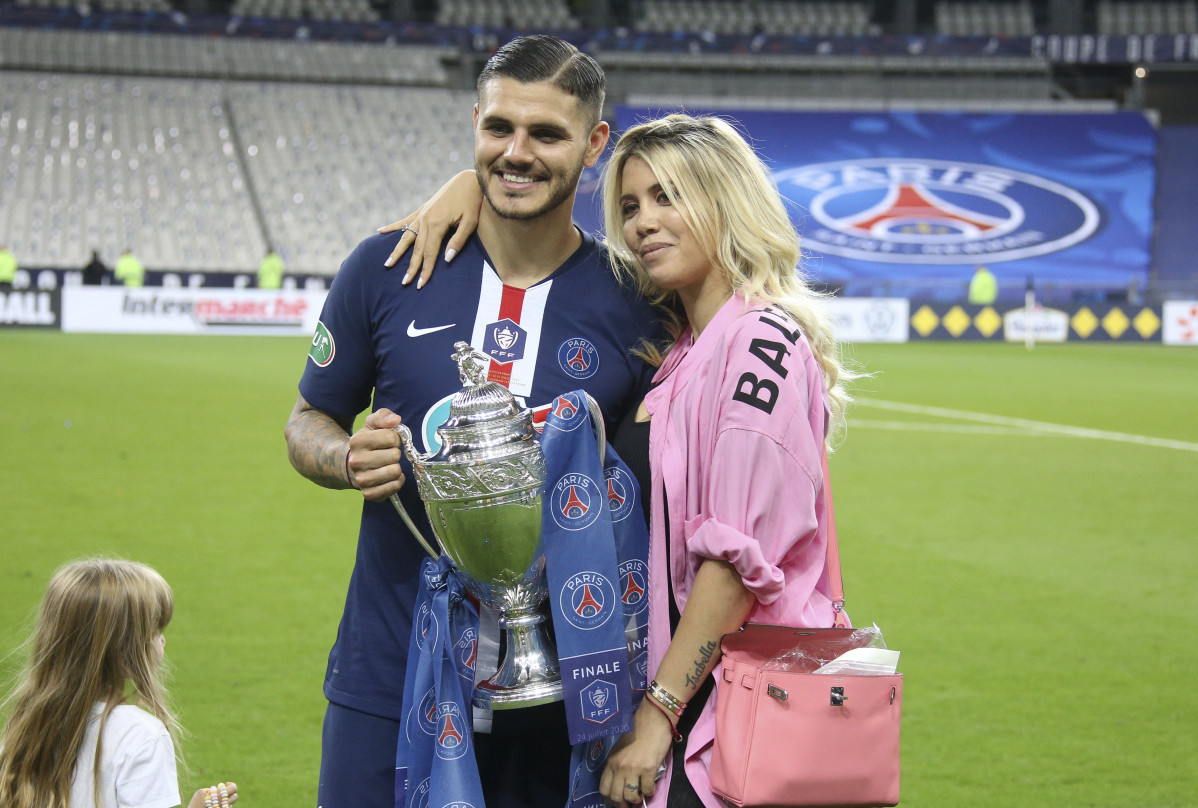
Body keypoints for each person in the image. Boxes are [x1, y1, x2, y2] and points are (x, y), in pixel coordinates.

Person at [284, 35, 662, 808]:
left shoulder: (636, 300)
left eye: (546, 134)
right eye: (498, 129)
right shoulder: (387, 268)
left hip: (568, 694)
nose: (516, 153)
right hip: (387, 672)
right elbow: (308, 418)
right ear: (475, 125)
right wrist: (344, 458)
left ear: (595, 145)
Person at [591, 114, 855, 808]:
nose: (643, 222)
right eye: (630, 205)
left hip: (726, 723)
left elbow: (735, 565)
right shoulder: (681, 351)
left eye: (668, 196)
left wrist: (658, 715)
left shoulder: (759, 341)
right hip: (693, 710)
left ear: (724, 199)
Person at [0, 558, 241, 808]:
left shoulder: (24, 731)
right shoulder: (140, 736)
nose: (162, 642)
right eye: (155, 632)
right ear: (124, 651)